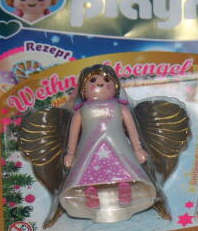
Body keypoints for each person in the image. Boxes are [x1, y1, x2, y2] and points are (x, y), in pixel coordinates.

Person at [60, 64, 156, 222]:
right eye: (93, 80)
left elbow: (132, 130)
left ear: (115, 87)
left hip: (118, 145)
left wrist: (138, 148)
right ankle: (91, 192)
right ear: (83, 90)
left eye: (106, 80)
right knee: (87, 172)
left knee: (124, 168)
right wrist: (70, 153)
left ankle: (124, 188)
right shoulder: (81, 111)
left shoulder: (120, 108)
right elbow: (73, 134)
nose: (100, 83)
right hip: (89, 147)